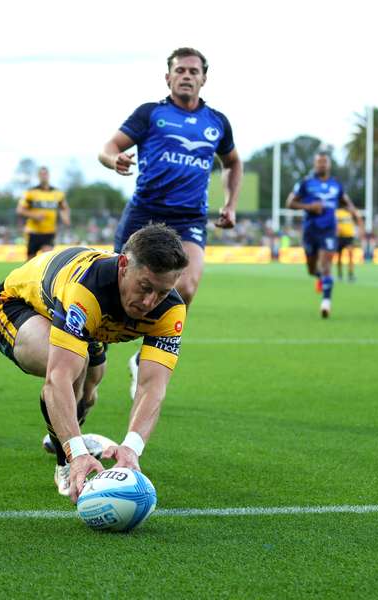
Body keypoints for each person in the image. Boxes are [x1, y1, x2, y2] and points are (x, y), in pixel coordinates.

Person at [0, 224, 188, 501]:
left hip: (84, 319)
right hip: (18, 305)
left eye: (162, 293)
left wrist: (131, 447)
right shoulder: (87, 290)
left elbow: (153, 386)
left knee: (89, 391)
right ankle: (65, 461)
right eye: (145, 287)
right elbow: (56, 381)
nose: (150, 302)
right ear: (124, 265)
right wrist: (76, 453)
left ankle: (68, 435)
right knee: (71, 369)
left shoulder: (170, 310)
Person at [98, 47, 241, 396]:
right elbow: (108, 147)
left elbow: (233, 162)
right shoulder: (151, 114)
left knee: (186, 287)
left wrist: (231, 205)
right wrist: (113, 160)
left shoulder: (217, 123)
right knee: (115, 290)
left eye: (194, 71)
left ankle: (144, 356)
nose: (187, 75)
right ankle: (93, 349)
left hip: (189, 217)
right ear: (168, 78)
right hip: (145, 212)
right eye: (180, 70)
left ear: (204, 78)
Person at [286, 151, 363, 318]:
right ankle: (321, 278)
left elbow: (347, 203)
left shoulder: (336, 185)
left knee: (327, 266)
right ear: (314, 164)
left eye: (324, 162)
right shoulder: (306, 183)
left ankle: (326, 302)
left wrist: (356, 217)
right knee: (312, 269)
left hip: (329, 230)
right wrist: (309, 207)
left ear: (329, 164)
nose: (322, 164)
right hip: (310, 230)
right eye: (319, 162)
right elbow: (290, 203)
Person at [17, 166, 69, 260]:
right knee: (30, 261)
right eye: (41, 174)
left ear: (48, 175)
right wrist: (34, 215)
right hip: (33, 232)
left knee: (47, 259)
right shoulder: (31, 192)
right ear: (38, 176)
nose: (43, 176)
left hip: (49, 232)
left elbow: (64, 208)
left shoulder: (57, 193)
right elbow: (20, 210)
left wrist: (66, 218)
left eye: (45, 174)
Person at [335, 206, 357, 282]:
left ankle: (350, 274)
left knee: (350, 255)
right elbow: (336, 224)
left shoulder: (351, 212)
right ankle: (340, 274)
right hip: (340, 237)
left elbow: (356, 221)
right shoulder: (338, 212)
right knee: (339, 257)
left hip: (349, 237)